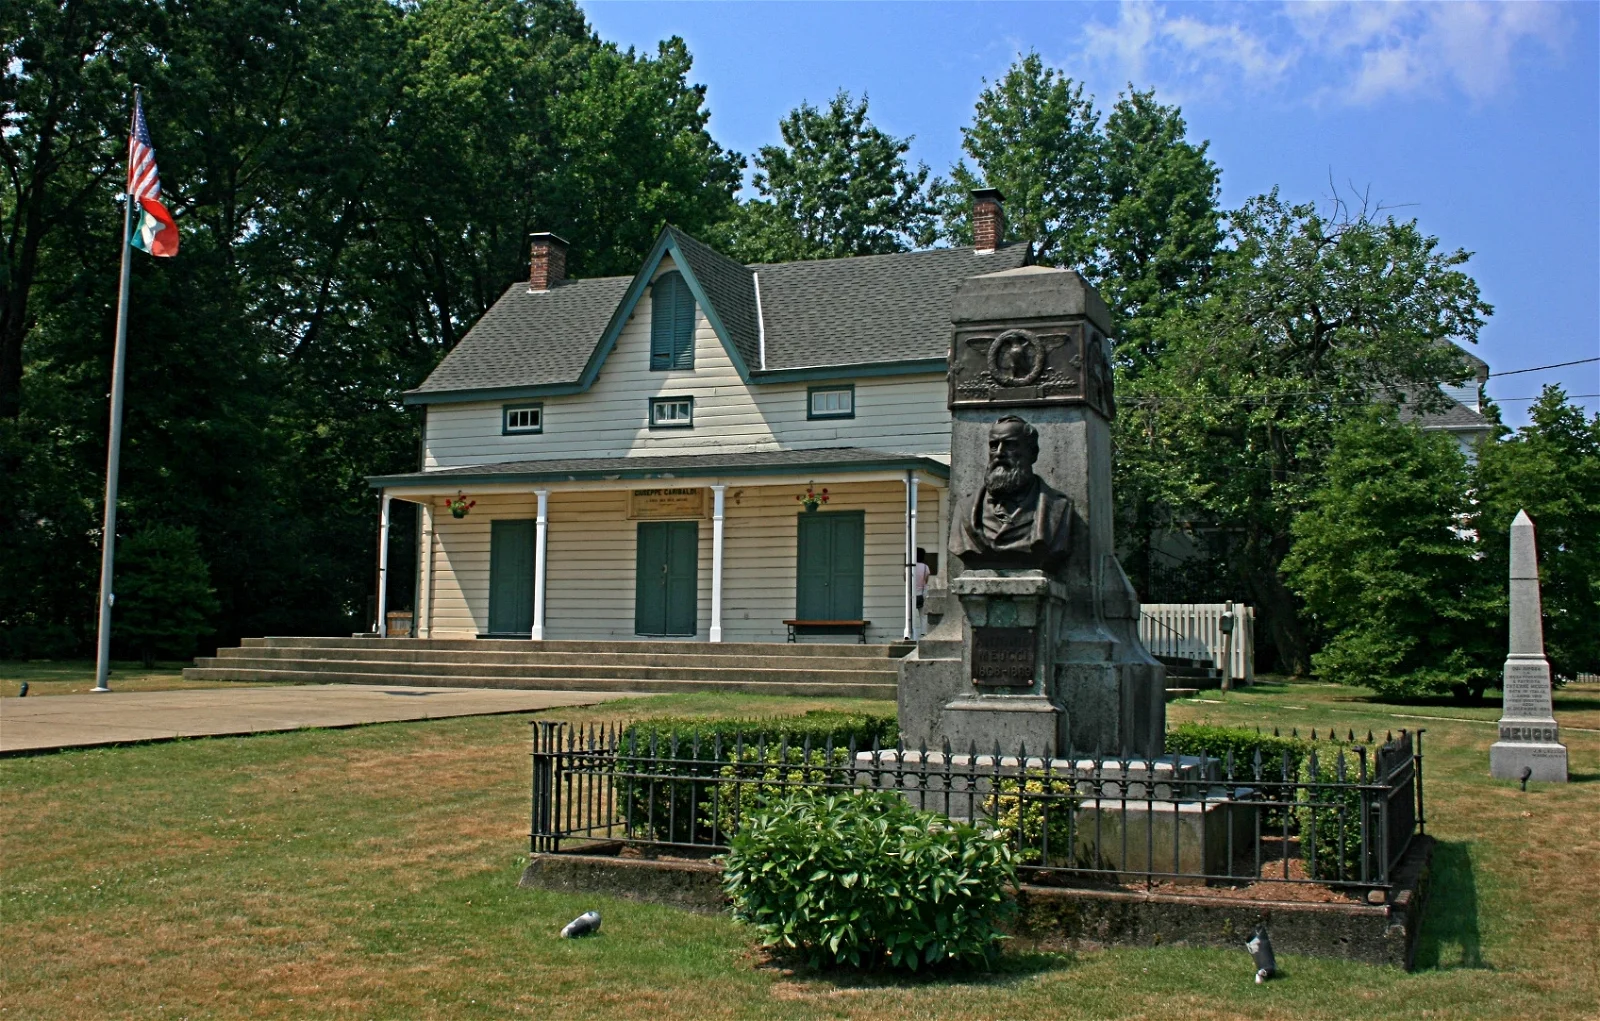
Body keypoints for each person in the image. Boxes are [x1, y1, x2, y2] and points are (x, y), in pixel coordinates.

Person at [950, 416, 1073, 571]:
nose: (999, 453)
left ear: (1033, 453)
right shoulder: (965, 509)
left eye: (1010, 445)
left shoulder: (1059, 507)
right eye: (994, 446)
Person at [913, 547, 932, 638]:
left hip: (911, 594)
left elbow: (905, 579)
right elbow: (926, 580)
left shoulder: (909, 566)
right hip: (922, 593)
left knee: (911, 615)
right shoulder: (925, 567)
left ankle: (911, 633)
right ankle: (923, 633)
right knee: (923, 615)